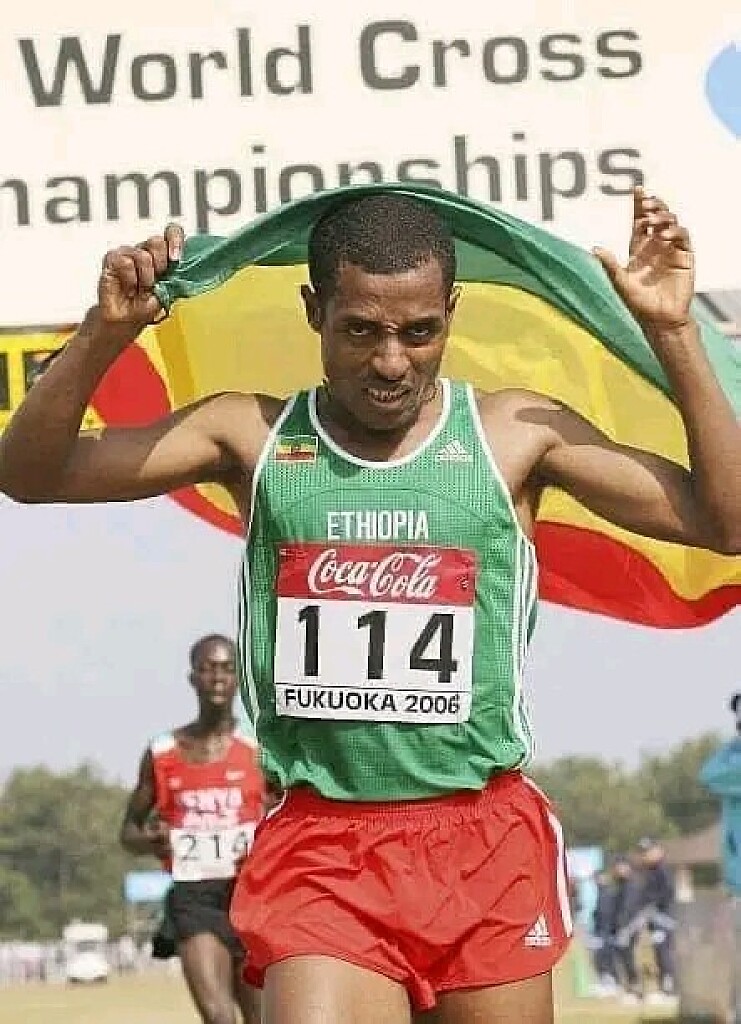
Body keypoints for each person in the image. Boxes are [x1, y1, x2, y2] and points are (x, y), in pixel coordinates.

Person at [1, 187, 739, 1024]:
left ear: (450, 314)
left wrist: (672, 331)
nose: (391, 362)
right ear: (313, 310)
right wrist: (105, 333)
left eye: (419, 332)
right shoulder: (251, 435)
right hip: (324, 850)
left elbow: (724, 523)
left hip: (480, 841)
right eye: (360, 331)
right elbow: (29, 474)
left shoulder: (513, 435)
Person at [119, 634, 263, 1024]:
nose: (218, 678)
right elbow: (128, 832)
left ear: (238, 679)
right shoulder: (163, 752)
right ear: (192, 678)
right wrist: (152, 841)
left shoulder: (258, 748)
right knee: (219, 1017)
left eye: (227, 669)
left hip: (250, 894)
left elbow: (287, 814)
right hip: (194, 896)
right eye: (208, 669)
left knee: (262, 1018)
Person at [636, 837, 677, 1002]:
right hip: (654, 919)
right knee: (658, 952)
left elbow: (667, 893)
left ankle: (670, 987)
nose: (645, 855)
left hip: (665, 918)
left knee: (665, 952)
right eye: (643, 852)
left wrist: (653, 904)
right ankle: (663, 987)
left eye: (648, 851)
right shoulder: (649, 873)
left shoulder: (663, 871)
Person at [610, 855, 644, 1004]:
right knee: (623, 958)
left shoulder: (632, 885)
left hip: (629, 928)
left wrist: (624, 926)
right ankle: (630, 987)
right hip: (621, 928)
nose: (619, 869)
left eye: (621, 866)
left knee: (630, 958)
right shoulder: (620, 884)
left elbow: (629, 908)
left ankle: (636, 989)